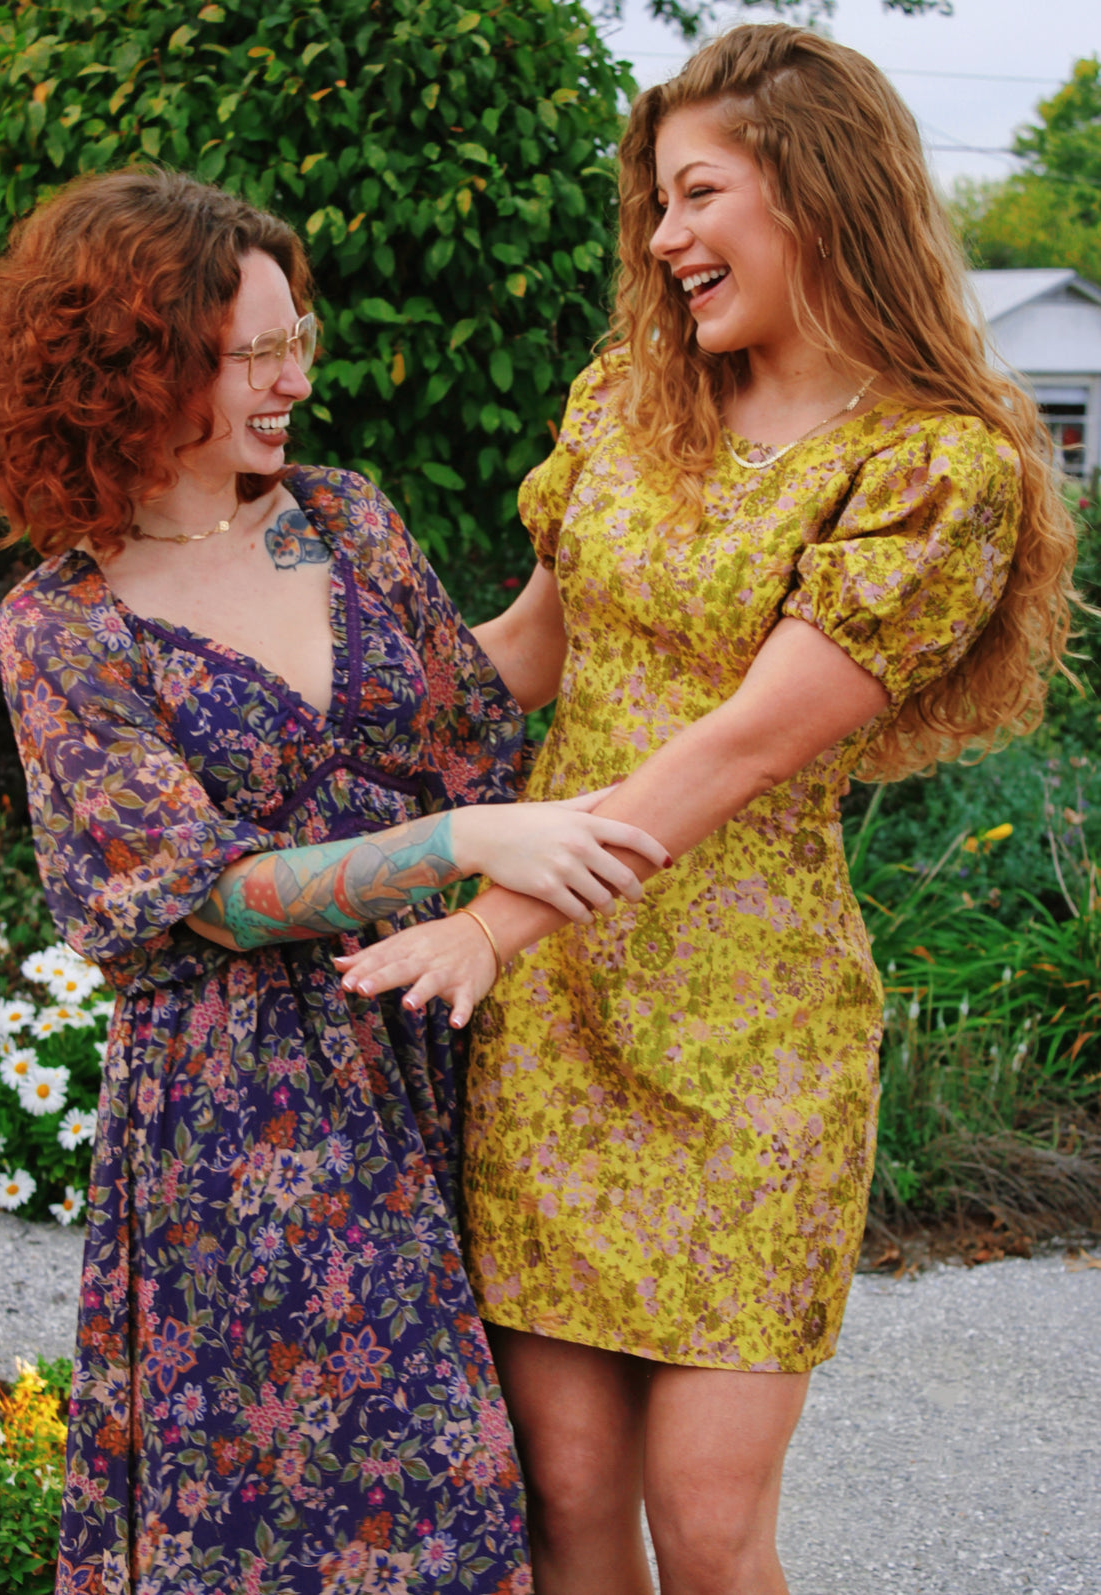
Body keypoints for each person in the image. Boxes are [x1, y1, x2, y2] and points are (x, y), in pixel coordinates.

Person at [335, 24, 1079, 1595]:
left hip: (749, 1036)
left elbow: (736, 750)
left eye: (696, 194)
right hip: (558, 1017)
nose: (664, 237)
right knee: (566, 1494)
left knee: (706, 1520)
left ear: (816, 192)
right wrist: (289, 725)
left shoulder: (934, 471)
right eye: (656, 203)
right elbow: (523, 656)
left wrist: (488, 921)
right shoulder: (627, 402)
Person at [0, 167, 668, 1595]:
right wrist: (456, 845)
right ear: (134, 365)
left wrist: (613, 489)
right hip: (253, 1110)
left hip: (447, 1039)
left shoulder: (340, 518)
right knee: (342, 1507)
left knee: (545, 1470)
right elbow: (210, 893)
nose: (295, 379)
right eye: (255, 353)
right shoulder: (63, 625)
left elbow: (481, 695)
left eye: (299, 340)